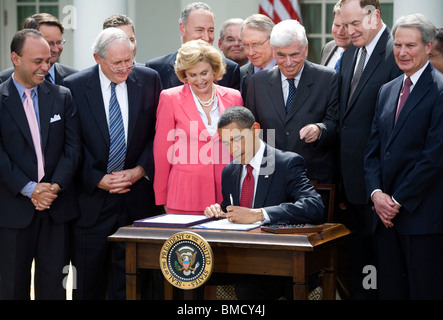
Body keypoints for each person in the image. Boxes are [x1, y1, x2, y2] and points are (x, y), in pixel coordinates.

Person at [62, 28, 162, 300]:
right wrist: (96, 178)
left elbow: (159, 133)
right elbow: (71, 143)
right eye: (116, 63)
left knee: (134, 283)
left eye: (128, 60)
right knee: (88, 282)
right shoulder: (74, 86)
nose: (124, 68)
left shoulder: (149, 79)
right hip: (92, 201)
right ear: (97, 58)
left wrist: (142, 169)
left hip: (137, 199)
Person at [204, 107, 324, 299]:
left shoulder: (287, 163)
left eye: (236, 139)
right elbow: (230, 209)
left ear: (255, 130)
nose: (232, 149)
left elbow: (314, 206)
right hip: (237, 260)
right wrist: (218, 211)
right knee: (185, 272)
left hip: (279, 263)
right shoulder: (229, 172)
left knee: (247, 290)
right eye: (226, 143)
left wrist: (259, 214)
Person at [364, 13, 443, 300]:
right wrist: (376, 194)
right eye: (398, 45)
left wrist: (395, 202)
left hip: (421, 218)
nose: (402, 52)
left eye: (410, 45)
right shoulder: (387, 91)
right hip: (385, 220)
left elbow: (434, 158)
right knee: (389, 292)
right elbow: (373, 150)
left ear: (429, 47)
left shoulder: (440, 90)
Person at [0, 29, 81, 300]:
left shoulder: (62, 95)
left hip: (55, 212)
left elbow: (72, 149)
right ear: (16, 58)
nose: (45, 67)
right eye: (38, 61)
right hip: (12, 213)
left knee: (55, 291)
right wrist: (29, 189)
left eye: (48, 60)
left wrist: (53, 187)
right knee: (11, 289)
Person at [337, 0, 402, 299]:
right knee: (361, 271)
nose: (348, 32)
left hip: (385, 189)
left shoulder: (396, 53)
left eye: (354, 24)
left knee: (386, 273)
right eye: (344, 24)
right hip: (352, 188)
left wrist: (382, 189)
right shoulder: (351, 55)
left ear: (374, 15)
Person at [153, 39, 243, 216]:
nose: (199, 80)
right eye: (192, 75)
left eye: (204, 73)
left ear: (214, 71)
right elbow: (162, 152)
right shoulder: (169, 98)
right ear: (184, 74)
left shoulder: (234, 97)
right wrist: (162, 197)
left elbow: (240, 149)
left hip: (226, 195)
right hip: (184, 196)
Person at [246, 19, 339, 187]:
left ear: (305, 50)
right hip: (270, 178)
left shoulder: (327, 78)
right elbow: (252, 130)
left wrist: (319, 129)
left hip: (313, 179)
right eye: (281, 55)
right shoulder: (257, 83)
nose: (288, 62)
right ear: (273, 52)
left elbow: (336, 124)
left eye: (294, 54)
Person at [146, 2, 240, 90]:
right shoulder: (156, 68)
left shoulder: (230, 70)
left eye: (210, 30)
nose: (207, 37)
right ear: (182, 29)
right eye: (199, 30)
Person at [0, 13, 77, 84]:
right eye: (49, 43)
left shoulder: (74, 78)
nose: (56, 49)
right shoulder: (3, 80)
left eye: (59, 42)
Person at [239, 14, 276, 102]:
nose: (250, 52)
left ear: (272, 40)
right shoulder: (240, 74)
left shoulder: (288, 70)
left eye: (256, 45)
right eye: (245, 45)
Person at [321, 1, 352, 71]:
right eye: (337, 25)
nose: (340, 32)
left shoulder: (362, 56)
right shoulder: (327, 48)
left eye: (346, 26)